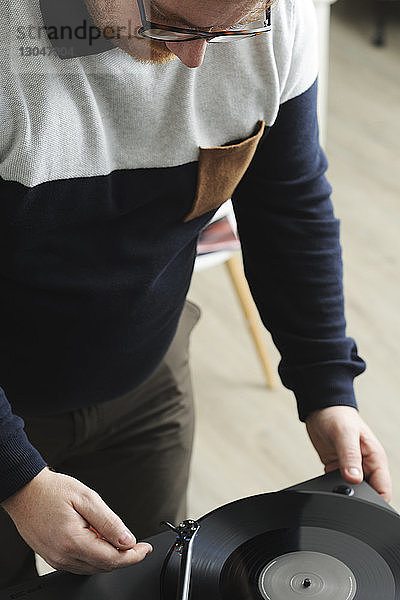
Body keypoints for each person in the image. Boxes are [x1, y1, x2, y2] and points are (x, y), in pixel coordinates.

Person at [0, 0, 391, 589]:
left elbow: (287, 204)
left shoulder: (276, 18)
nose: (195, 58)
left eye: (228, 29)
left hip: (148, 376)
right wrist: (15, 474)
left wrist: (326, 384)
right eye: (170, 21)